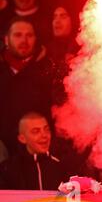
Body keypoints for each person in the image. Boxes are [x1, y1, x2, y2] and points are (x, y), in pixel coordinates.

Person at [0, 16, 56, 155]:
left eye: (29, 35)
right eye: (18, 35)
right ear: (6, 39)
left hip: (40, 152)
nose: (24, 41)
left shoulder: (49, 70)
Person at [0, 112, 71, 190]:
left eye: (47, 130)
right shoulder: (7, 169)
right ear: (22, 139)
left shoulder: (62, 167)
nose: (44, 135)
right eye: (36, 131)